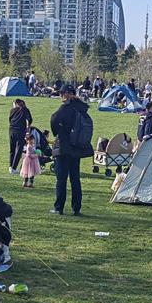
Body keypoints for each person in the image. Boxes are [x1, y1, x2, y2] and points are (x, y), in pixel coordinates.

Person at [50, 84, 91, 216]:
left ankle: (59, 207)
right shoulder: (81, 109)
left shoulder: (65, 108)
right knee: (75, 179)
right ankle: (76, 208)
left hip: (63, 147)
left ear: (68, 94)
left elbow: (54, 120)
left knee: (61, 180)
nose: (61, 96)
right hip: (77, 148)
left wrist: (60, 132)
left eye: (62, 94)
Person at [8, 99, 32, 174]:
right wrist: (28, 127)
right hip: (20, 131)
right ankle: (14, 168)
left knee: (12, 148)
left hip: (11, 130)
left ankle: (10, 166)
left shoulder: (13, 110)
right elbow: (30, 119)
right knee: (19, 149)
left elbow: (10, 119)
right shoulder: (25, 110)